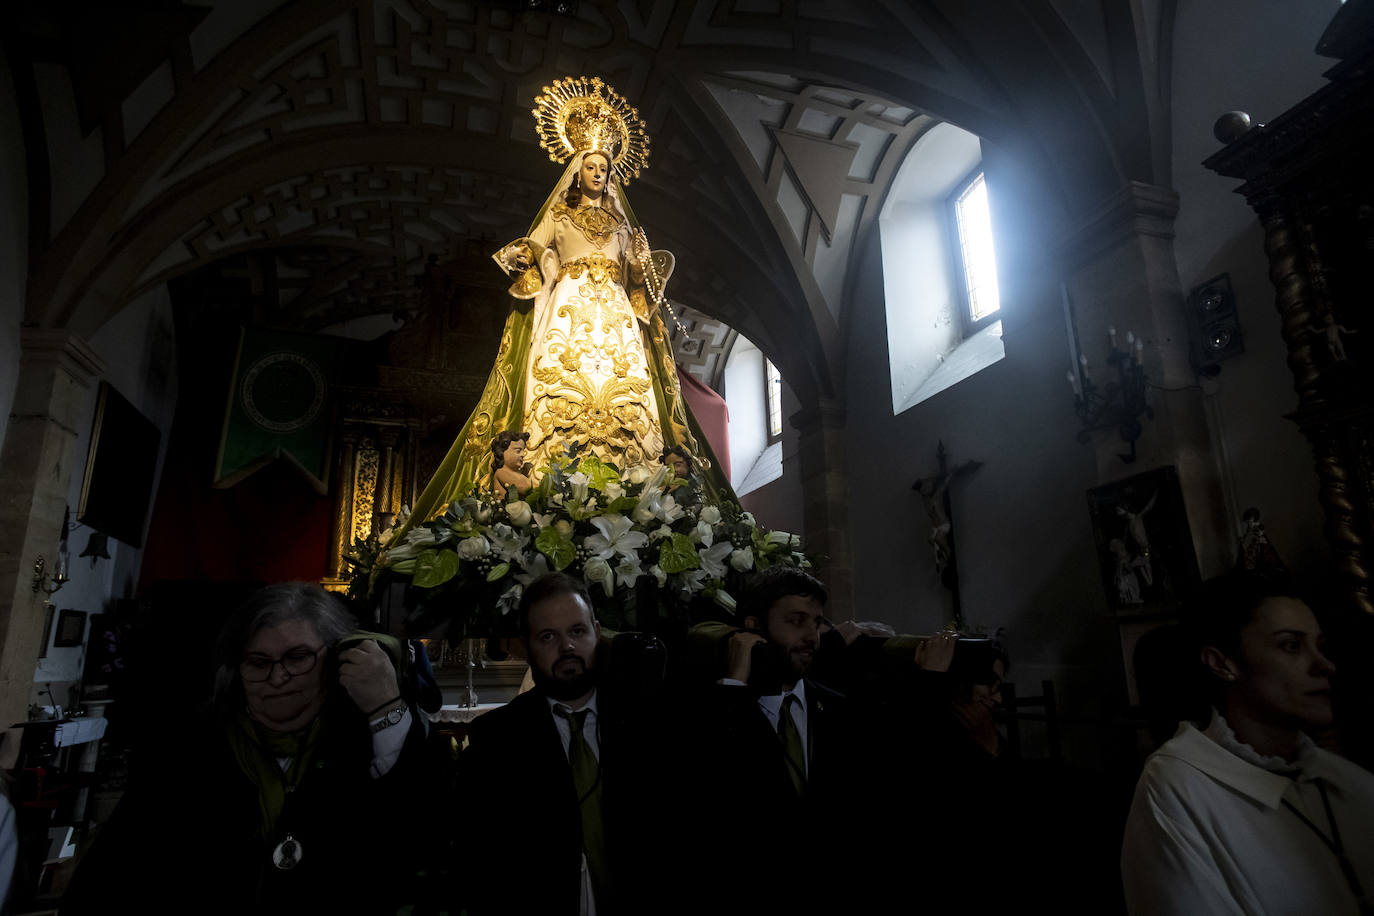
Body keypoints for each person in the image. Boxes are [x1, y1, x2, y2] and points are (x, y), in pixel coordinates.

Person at [390, 77, 726, 544]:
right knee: (558, 379)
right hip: (567, 301)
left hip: (614, 314)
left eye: (605, 167)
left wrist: (644, 263)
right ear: (577, 168)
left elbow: (636, 279)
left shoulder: (622, 224)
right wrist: (527, 256)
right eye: (591, 165)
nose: (599, 173)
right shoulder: (561, 215)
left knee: (626, 389)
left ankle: (638, 478)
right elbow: (537, 249)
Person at [60, 583, 441, 915]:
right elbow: (110, 881)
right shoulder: (187, 751)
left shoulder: (358, 744)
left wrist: (385, 707)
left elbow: (419, 835)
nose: (277, 678)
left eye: (297, 658)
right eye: (258, 662)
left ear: (336, 659)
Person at [1121, 571, 1374, 915]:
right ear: (1223, 663)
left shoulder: (1349, 781)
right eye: (1291, 645)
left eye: (1322, 646)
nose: (1324, 665)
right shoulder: (1177, 788)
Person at [459, 572, 665, 915]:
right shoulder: (495, 741)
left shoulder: (648, 723)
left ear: (597, 633)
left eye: (577, 631)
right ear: (526, 647)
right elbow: (480, 867)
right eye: (548, 636)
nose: (566, 647)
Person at [687, 566, 873, 915]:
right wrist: (735, 685)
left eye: (816, 623)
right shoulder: (720, 712)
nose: (812, 637)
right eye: (796, 621)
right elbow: (714, 799)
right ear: (754, 628)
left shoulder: (839, 709)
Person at [491, 429, 533, 499]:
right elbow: (525, 488)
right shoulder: (502, 472)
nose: (523, 455)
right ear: (502, 452)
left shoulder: (517, 474)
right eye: (518, 451)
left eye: (523, 451)